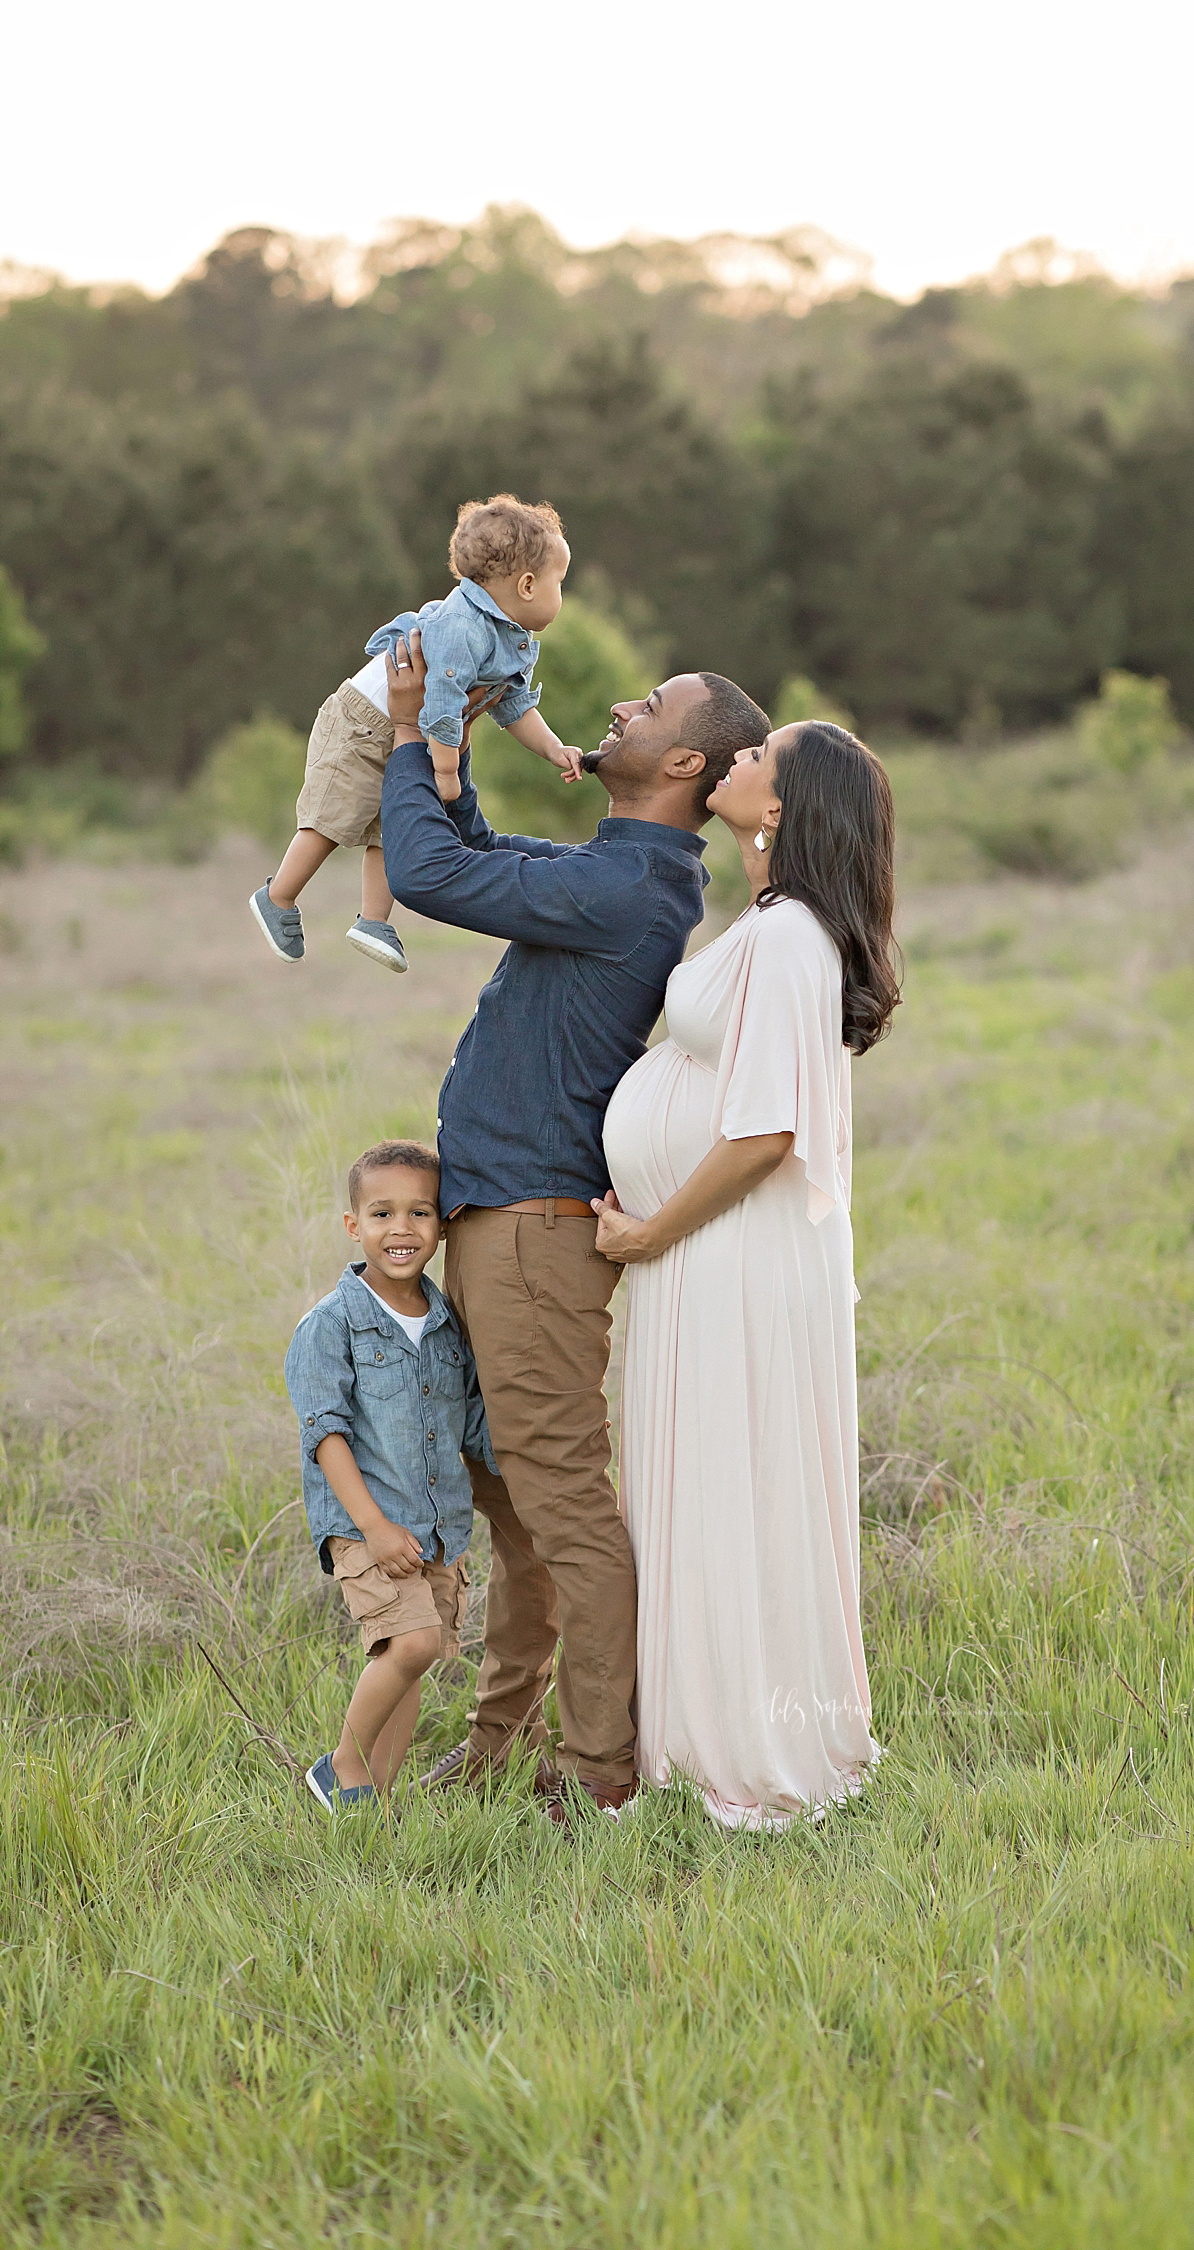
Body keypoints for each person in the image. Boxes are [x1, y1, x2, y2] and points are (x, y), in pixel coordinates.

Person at [378, 627, 771, 1819]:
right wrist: (448, 764)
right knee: (519, 1509)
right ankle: (501, 1746)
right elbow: (482, 853)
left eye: (651, 705)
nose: (620, 705)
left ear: (688, 767)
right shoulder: (620, 871)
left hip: (531, 1235)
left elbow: (434, 877)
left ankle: (599, 1771)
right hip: (502, 1222)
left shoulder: (627, 886)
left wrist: (404, 735)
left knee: (562, 1510)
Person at [594, 720, 901, 1829]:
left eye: (763, 755)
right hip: (716, 1255)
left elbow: (767, 1132)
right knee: (715, 1479)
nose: (738, 758)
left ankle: (745, 1747)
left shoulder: (789, 940)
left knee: (732, 1482)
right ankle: (701, 1729)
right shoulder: (774, 927)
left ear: (782, 806)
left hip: (726, 1250)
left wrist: (649, 1232)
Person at [249, 494, 585, 978]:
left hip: (416, 730)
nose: (561, 595)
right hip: (364, 722)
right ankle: (278, 897)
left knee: (396, 823)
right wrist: (446, 771)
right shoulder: (460, 627)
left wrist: (553, 747)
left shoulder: (512, 636)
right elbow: (445, 703)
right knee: (335, 814)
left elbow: (511, 703)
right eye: (561, 583)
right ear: (528, 585)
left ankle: (373, 919)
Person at [284, 1141, 493, 1812]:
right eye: (381, 1213)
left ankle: (372, 1801)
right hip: (368, 1524)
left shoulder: (447, 1326)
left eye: (419, 1213)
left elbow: (469, 1422)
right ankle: (341, 1764)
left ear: (441, 1225)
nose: (401, 1230)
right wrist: (373, 1528)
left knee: (414, 1660)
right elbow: (325, 1435)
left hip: (437, 1526)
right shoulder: (331, 1325)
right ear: (353, 1225)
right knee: (413, 1641)